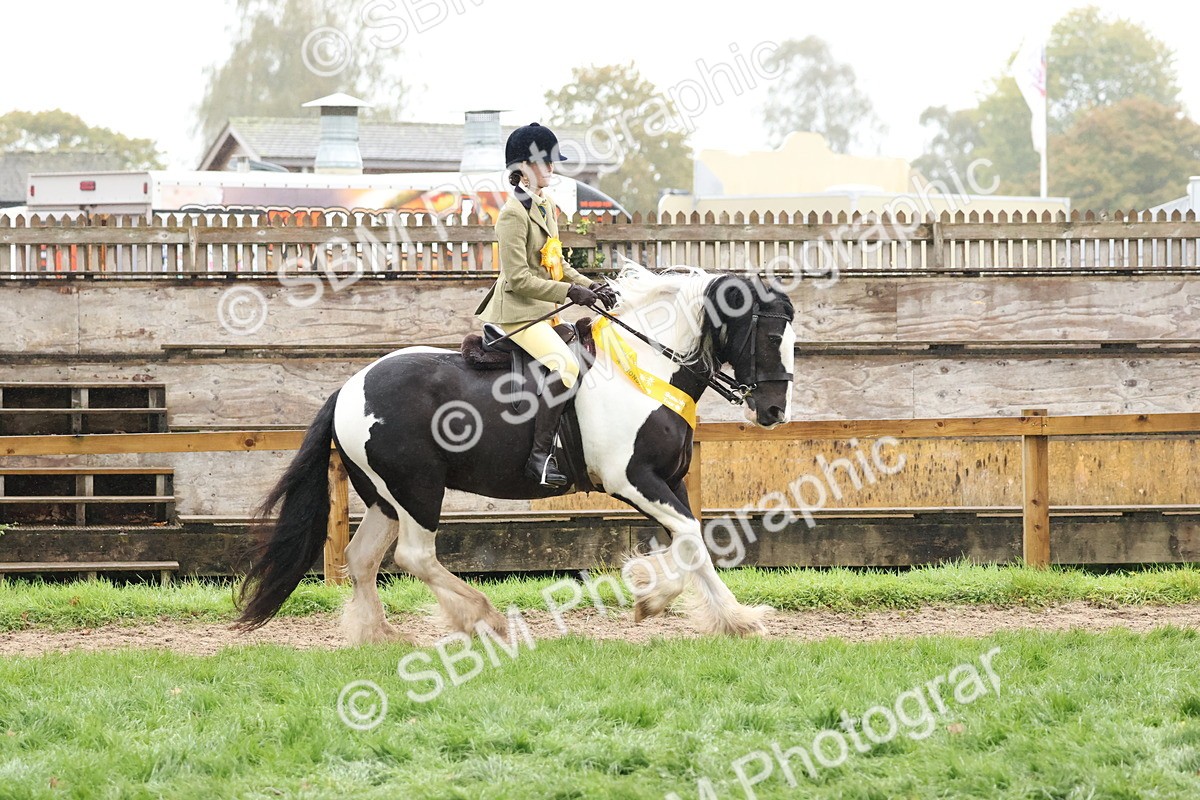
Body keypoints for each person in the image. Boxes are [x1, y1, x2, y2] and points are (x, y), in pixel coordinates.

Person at [475, 122, 616, 488]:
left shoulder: (544, 206)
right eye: (546, 163)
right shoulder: (511, 215)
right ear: (523, 168)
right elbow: (519, 278)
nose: (552, 169)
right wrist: (569, 295)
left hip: (539, 313)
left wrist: (591, 286)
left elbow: (556, 263)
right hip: (515, 315)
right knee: (566, 366)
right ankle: (539, 460)